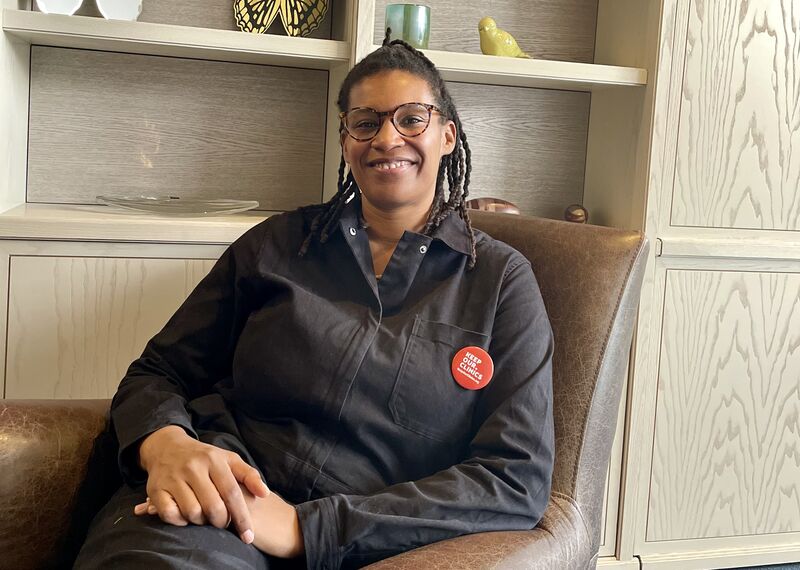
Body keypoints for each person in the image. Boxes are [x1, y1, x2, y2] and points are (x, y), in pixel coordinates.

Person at [75, 31, 555, 570]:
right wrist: (163, 442)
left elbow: (514, 478)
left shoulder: (499, 282)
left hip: (370, 542)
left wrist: (311, 528)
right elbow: (158, 370)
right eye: (366, 122)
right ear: (347, 139)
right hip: (215, 507)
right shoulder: (277, 245)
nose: (387, 138)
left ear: (447, 134)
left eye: (412, 118)